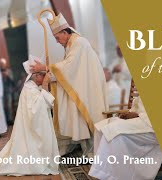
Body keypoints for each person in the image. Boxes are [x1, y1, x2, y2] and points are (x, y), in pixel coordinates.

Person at [30, 13, 108, 157]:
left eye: (58, 38)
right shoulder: (72, 43)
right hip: (83, 85)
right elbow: (69, 69)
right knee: (75, 110)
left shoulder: (79, 42)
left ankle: (94, 150)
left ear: (65, 32)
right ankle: (85, 148)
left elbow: (69, 67)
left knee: (84, 112)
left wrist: (44, 68)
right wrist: (49, 72)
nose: (58, 42)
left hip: (88, 87)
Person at [0, 57, 60, 176]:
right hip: (31, 131)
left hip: (32, 127)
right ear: (36, 76)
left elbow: (43, 104)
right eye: (43, 75)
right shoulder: (30, 89)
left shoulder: (33, 87)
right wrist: (45, 84)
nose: (46, 77)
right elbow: (36, 111)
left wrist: (44, 86)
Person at [89, 97, 162, 180]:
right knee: (100, 128)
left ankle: (115, 176)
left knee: (114, 134)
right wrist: (130, 113)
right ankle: (103, 172)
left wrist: (139, 115)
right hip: (141, 118)